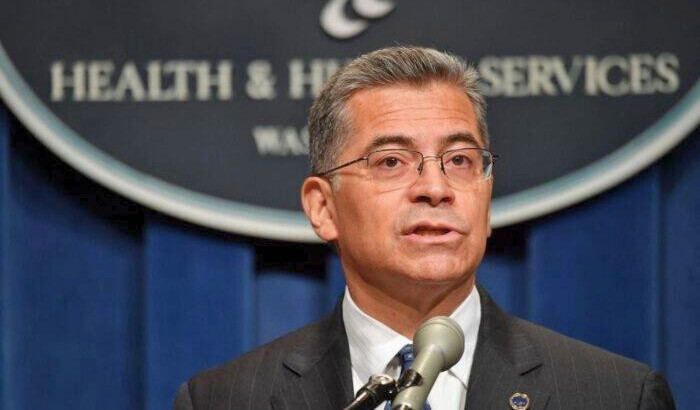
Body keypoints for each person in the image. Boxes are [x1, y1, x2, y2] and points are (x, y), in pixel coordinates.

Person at [174, 46, 675, 410]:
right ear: (322, 207)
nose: (435, 188)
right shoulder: (225, 399)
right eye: (392, 162)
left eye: (459, 160)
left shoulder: (615, 395)